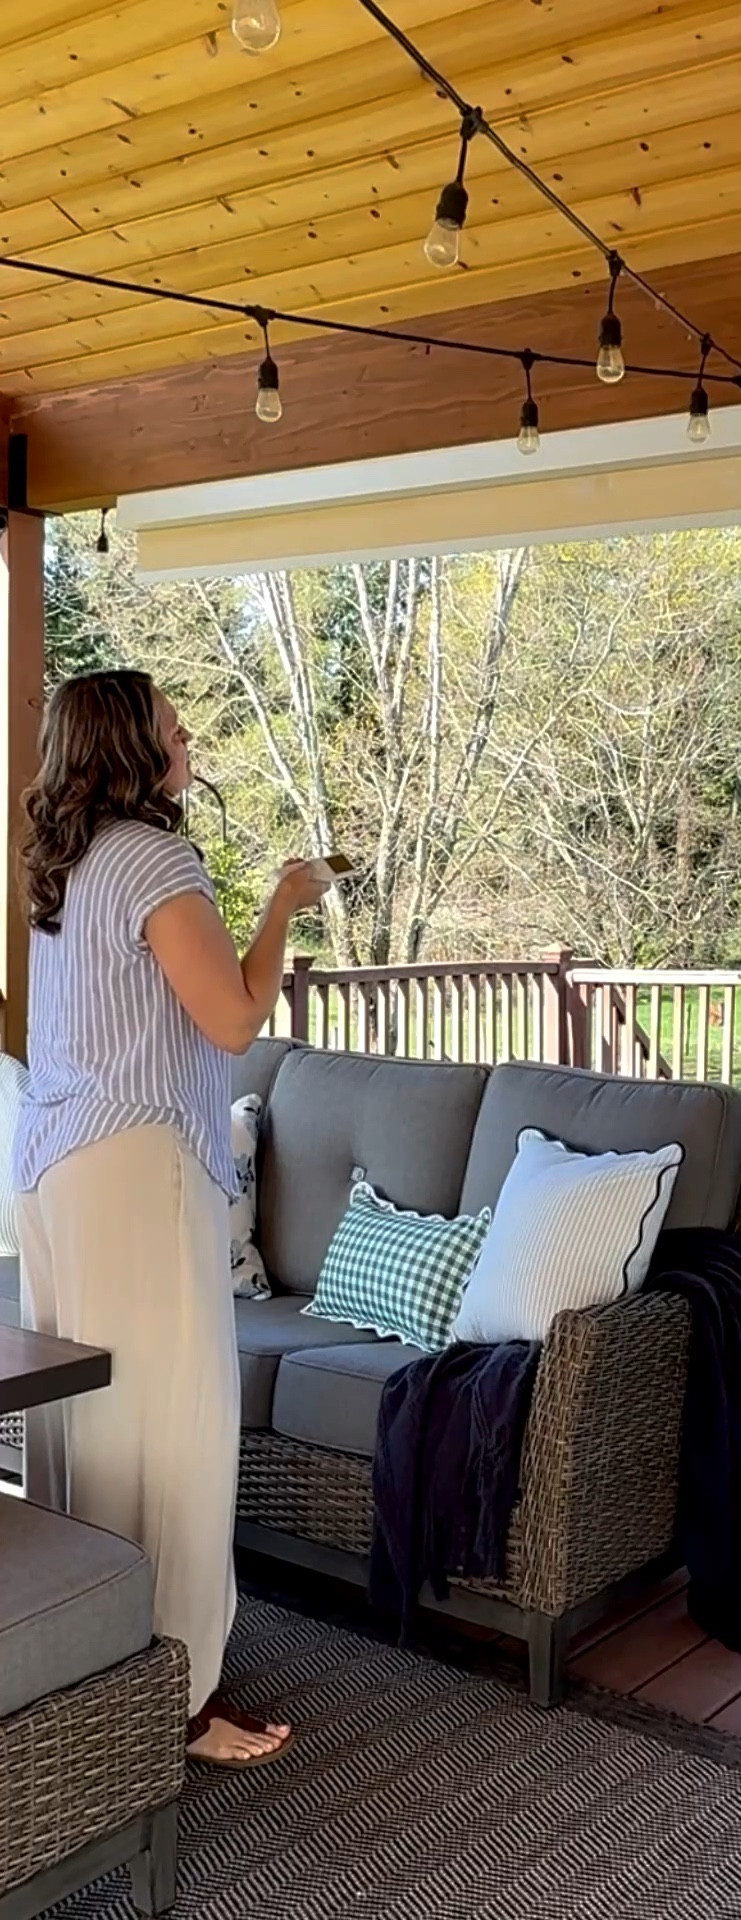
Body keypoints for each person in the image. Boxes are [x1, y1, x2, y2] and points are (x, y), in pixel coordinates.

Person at [13, 669, 330, 1768]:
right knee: (183, 1427)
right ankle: (180, 1698)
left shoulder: (56, 867)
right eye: (171, 726)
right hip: (137, 1170)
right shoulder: (153, 858)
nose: (189, 738)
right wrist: (285, 906)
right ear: (129, 750)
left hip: (52, 1168)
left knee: (88, 1424)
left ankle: (89, 1662)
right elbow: (236, 1023)